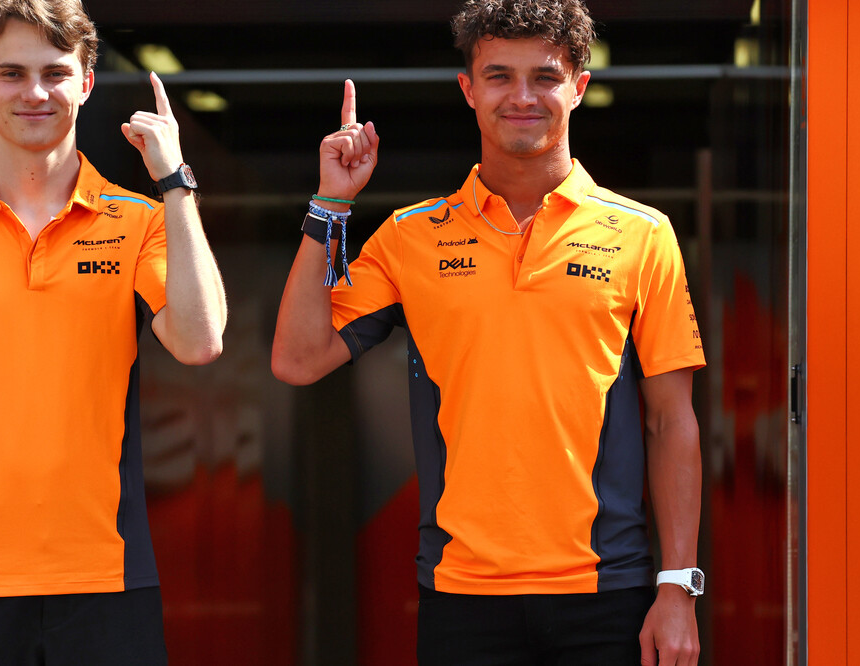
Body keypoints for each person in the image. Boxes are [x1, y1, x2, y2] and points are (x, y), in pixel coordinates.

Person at [271, 0, 704, 664]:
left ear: (579, 87)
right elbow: (299, 358)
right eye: (500, 76)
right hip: (461, 596)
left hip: (608, 592)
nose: (522, 97)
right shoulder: (410, 237)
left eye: (545, 77)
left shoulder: (643, 236)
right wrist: (331, 203)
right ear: (469, 91)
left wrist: (676, 587)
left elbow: (670, 421)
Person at [0, 0, 226, 662]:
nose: (35, 93)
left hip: (109, 579)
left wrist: (175, 183)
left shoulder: (138, 219)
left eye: (55, 73)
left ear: (86, 83)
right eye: (12, 73)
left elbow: (199, 341)